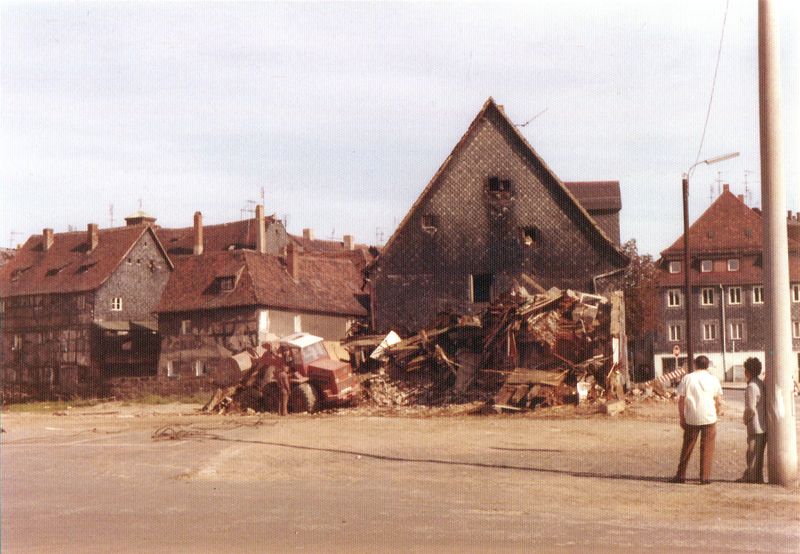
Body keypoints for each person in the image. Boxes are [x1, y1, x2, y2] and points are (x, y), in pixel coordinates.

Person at [671, 355, 724, 484]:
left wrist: (682, 417)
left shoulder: (687, 378)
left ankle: (681, 475)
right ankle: (704, 477)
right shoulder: (713, 379)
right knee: (707, 448)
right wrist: (717, 412)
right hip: (709, 417)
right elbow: (718, 400)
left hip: (692, 417)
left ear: (695, 364)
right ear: (707, 366)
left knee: (687, 447)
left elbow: (681, 400)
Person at [740, 357, 767, 483]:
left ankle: (751, 477)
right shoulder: (760, 383)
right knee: (758, 454)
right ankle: (757, 477)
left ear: (748, 371)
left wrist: (745, 419)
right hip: (762, 424)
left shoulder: (751, 386)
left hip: (755, 424)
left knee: (751, 453)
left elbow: (751, 408)